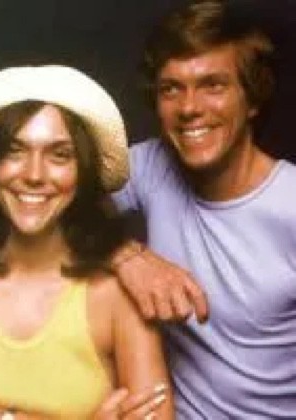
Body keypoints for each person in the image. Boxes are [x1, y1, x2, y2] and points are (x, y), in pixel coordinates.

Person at [0, 65, 174, 419]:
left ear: (82, 172)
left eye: (59, 155)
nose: (34, 175)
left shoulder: (119, 295)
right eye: (14, 151)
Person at [112, 0, 296, 418]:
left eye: (213, 85)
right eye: (171, 88)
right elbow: (52, 205)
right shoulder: (151, 166)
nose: (189, 107)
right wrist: (126, 255)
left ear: (252, 100)